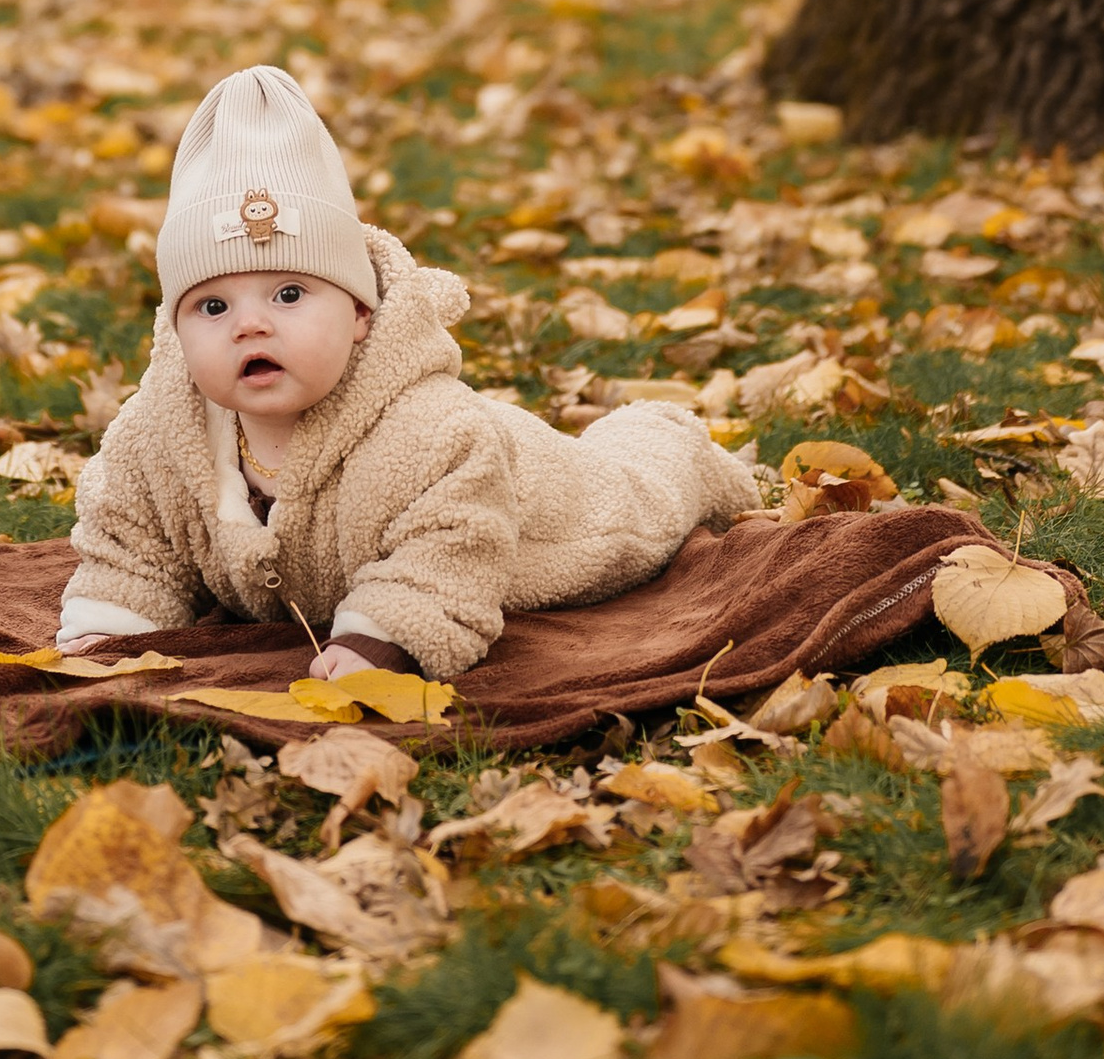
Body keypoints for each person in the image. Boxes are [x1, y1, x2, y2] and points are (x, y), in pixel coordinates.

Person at [55, 62, 758, 682]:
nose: (251, 324)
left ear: (361, 312)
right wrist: (114, 619)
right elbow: (129, 537)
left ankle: (670, 436)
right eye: (212, 305)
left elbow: (453, 542)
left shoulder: (430, 432)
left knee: (643, 491)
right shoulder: (158, 437)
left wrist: (383, 636)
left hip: (553, 510)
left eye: (290, 294)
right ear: (176, 332)